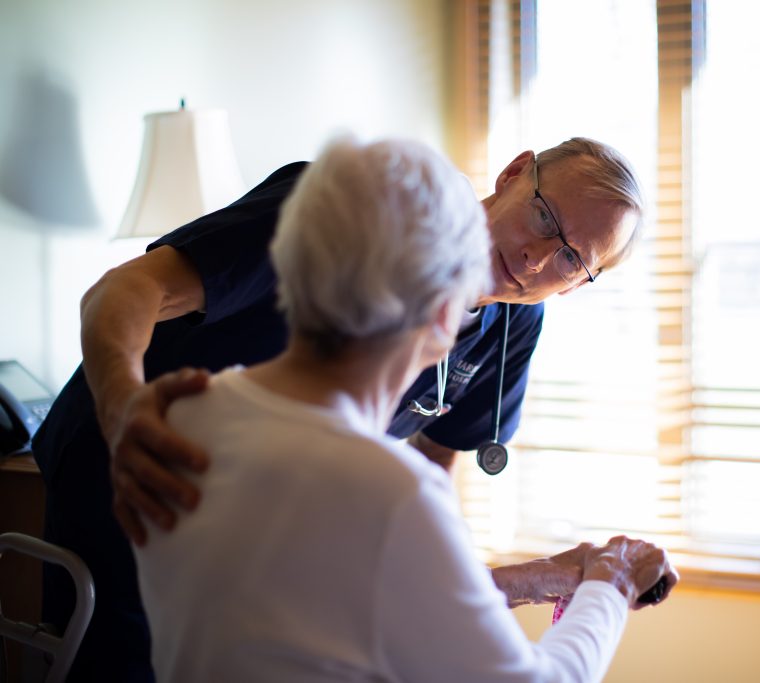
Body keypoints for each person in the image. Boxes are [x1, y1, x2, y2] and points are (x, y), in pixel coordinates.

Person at [32, 136, 645, 680]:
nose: (539, 256)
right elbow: (127, 288)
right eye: (543, 216)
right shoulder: (357, 212)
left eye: (572, 259)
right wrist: (122, 410)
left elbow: (424, 494)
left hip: (270, 512)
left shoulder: (509, 330)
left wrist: (509, 576)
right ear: (514, 173)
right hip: (137, 465)